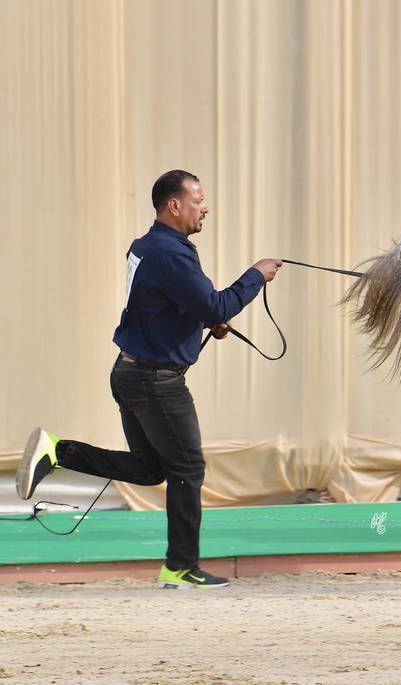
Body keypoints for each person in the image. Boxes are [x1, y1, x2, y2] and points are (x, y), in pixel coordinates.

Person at [15, 170, 282, 589]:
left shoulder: (149, 246)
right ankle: (180, 568)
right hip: (156, 381)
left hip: (131, 373)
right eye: (198, 201)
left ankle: (57, 451)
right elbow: (215, 304)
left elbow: (160, 305)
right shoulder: (170, 253)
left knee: (151, 468)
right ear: (174, 205)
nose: (205, 208)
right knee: (188, 469)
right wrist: (255, 274)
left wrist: (203, 321)